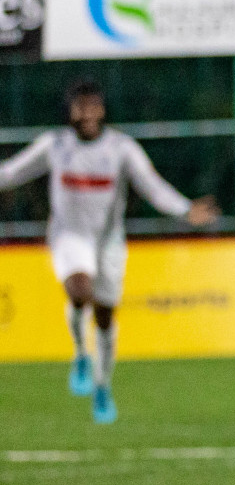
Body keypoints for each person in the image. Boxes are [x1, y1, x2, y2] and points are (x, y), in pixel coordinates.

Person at [0, 79, 218, 422]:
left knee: (104, 318)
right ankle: (79, 353)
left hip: (109, 242)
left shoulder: (121, 149)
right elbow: (11, 173)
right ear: (70, 111)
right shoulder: (54, 145)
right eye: (80, 106)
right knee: (80, 291)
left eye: (93, 106)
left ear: (102, 110)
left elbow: (152, 185)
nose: (87, 113)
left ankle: (102, 385)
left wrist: (184, 209)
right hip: (69, 236)